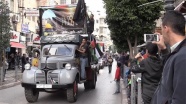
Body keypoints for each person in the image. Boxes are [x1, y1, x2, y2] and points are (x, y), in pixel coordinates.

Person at [151, 11, 186, 104]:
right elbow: (169, 68)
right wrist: (163, 49)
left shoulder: (182, 57)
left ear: (166, 28)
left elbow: (180, 99)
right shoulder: (178, 52)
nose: (161, 34)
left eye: (161, 29)